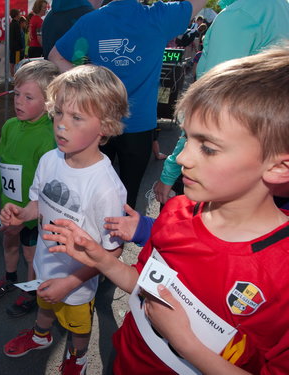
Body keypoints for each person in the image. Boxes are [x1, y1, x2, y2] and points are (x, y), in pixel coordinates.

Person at [43, 47, 289, 375]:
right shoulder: (175, 212)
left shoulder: (281, 273)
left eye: (208, 148)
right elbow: (143, 283)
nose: (184, 157)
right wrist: (99, 257)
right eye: (187, 139)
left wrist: (185, 342)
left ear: (279, 166)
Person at [0, 65, 128, 374]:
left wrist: (70, 282)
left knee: (78, 325)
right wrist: (21, 215)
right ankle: (41, 336)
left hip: (77, 281)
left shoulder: (107, 188)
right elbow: (38, 205)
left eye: (76, 118)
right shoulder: (50, 159)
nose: (61, 126)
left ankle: (78, 357)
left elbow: (112, 251)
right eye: (58, 113)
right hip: (45, 266)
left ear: (106, 126)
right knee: (44, 305)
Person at [49, 0, 206, 208]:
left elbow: (55, 56)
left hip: (99, 121)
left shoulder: (92, 20)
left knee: (87, 192)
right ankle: (116, 240)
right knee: (127, 198)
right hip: (137, 125)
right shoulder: (158, 16)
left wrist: (88, 87)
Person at [154, 0, 289, 204]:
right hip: (265, 155)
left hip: (225, 159)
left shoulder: (239, 15)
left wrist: (170, 171)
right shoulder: (280, 8)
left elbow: (210, 105)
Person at [0, 60, 59, 318]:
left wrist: (26, 216)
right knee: (9, 244)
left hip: (32, 214)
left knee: (31, 254)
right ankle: (9, 278)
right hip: (8, 208)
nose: (19, 102)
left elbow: (48, 188)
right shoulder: (9, 127)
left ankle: (31, 292)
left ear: (48, 102)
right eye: (16, 94)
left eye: (28, 97)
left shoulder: (49, 137)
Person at [9, 8, 24, 77]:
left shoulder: (11, 24)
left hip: (11, 47)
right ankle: (16, 77)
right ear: (16, 15)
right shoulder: (17, 25)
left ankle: (12, 76)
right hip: (17, 48)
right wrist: (21, 47)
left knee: (12, 63)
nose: (20, 15)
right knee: (17, 63)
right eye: (19, 14)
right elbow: (18, 37)